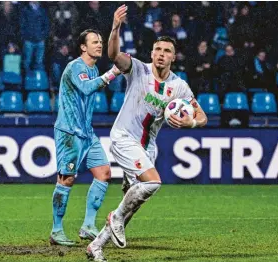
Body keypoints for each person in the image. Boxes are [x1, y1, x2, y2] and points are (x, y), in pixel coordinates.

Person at [86, 5, 208, 261]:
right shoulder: (138, 69)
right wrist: (116, 27)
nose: (162, 54)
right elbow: (113, 54)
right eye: (158, 50)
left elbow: (202, 116)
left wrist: (191, 125)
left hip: (148, 146)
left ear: (173, 57)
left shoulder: (179, 86)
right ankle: (114, 216)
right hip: (123, 137)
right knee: (153, 182)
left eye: (167, 51)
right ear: (152, 54)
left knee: (133, 204)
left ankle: (96, 246)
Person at [50, 29, 120, 246]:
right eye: (94, 42)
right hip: (70, 133)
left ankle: (88, 225)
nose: (99, 45)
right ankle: (56, 230)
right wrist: (113, 72)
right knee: (67, 179)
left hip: (87, 133)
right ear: (83, 47)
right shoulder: (75, 67)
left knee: (104, 172)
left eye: (100, 42)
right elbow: (87, 88)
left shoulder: (94, 68)